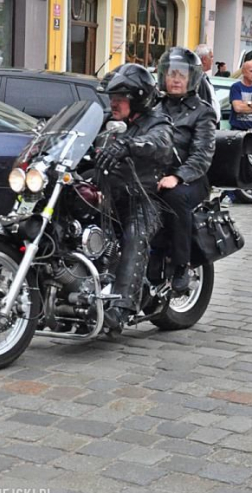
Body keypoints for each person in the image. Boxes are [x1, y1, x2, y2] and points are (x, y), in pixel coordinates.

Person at [94, 63, 173, 331]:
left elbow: (160, 144)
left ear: (138, 99)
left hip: (143, 198)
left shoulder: (158, 122)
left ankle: (121, 307)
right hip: (110, 196)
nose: (113, 103)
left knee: (134, 234)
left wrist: (128, 145)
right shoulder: (110, 121)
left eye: (119, 98)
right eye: (112, 98)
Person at [152, 47, 217, 291]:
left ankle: (181, 265)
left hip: (191, 179)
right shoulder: (154, 107)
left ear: (191, 78)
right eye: (171, 73)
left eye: (181, 74)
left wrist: (178, 177)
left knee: (174, 199)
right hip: (153, 175)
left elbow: (202, 155)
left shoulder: (202, 112)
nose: (176, 79)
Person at [220, 60, 252, 209]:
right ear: (244, 72)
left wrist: (247, 104)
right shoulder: (236, 87)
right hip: (238, 130)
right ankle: (229, 196)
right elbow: (237, 108)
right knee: (234, 163)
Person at [193, 43, 221, 124]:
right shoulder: (197, 78)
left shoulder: (203, 77)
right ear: (204, 59)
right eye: (211, 57)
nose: (213, 60)